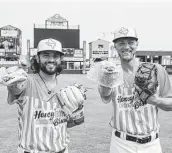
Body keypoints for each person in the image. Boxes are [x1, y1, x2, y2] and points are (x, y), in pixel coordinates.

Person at [98, 27, 172, 153]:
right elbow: (105, 96)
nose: (126, 47)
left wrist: (156, 101)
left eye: (130, 42)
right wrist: (106, 80)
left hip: (151, 145)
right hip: (121, 143)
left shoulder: (156, 70)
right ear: (114, 47)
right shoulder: (111, 71)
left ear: (137, 45)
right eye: (121, 43)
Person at [6, 38, 84, 153]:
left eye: (55, 56)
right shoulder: (27, 82)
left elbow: (68, 123)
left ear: (60, 59)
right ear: (38, 58)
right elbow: (15, 89)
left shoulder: (67, 87)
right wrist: (11, 81)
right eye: (46, 55)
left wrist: (77, 112)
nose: (51, 60)